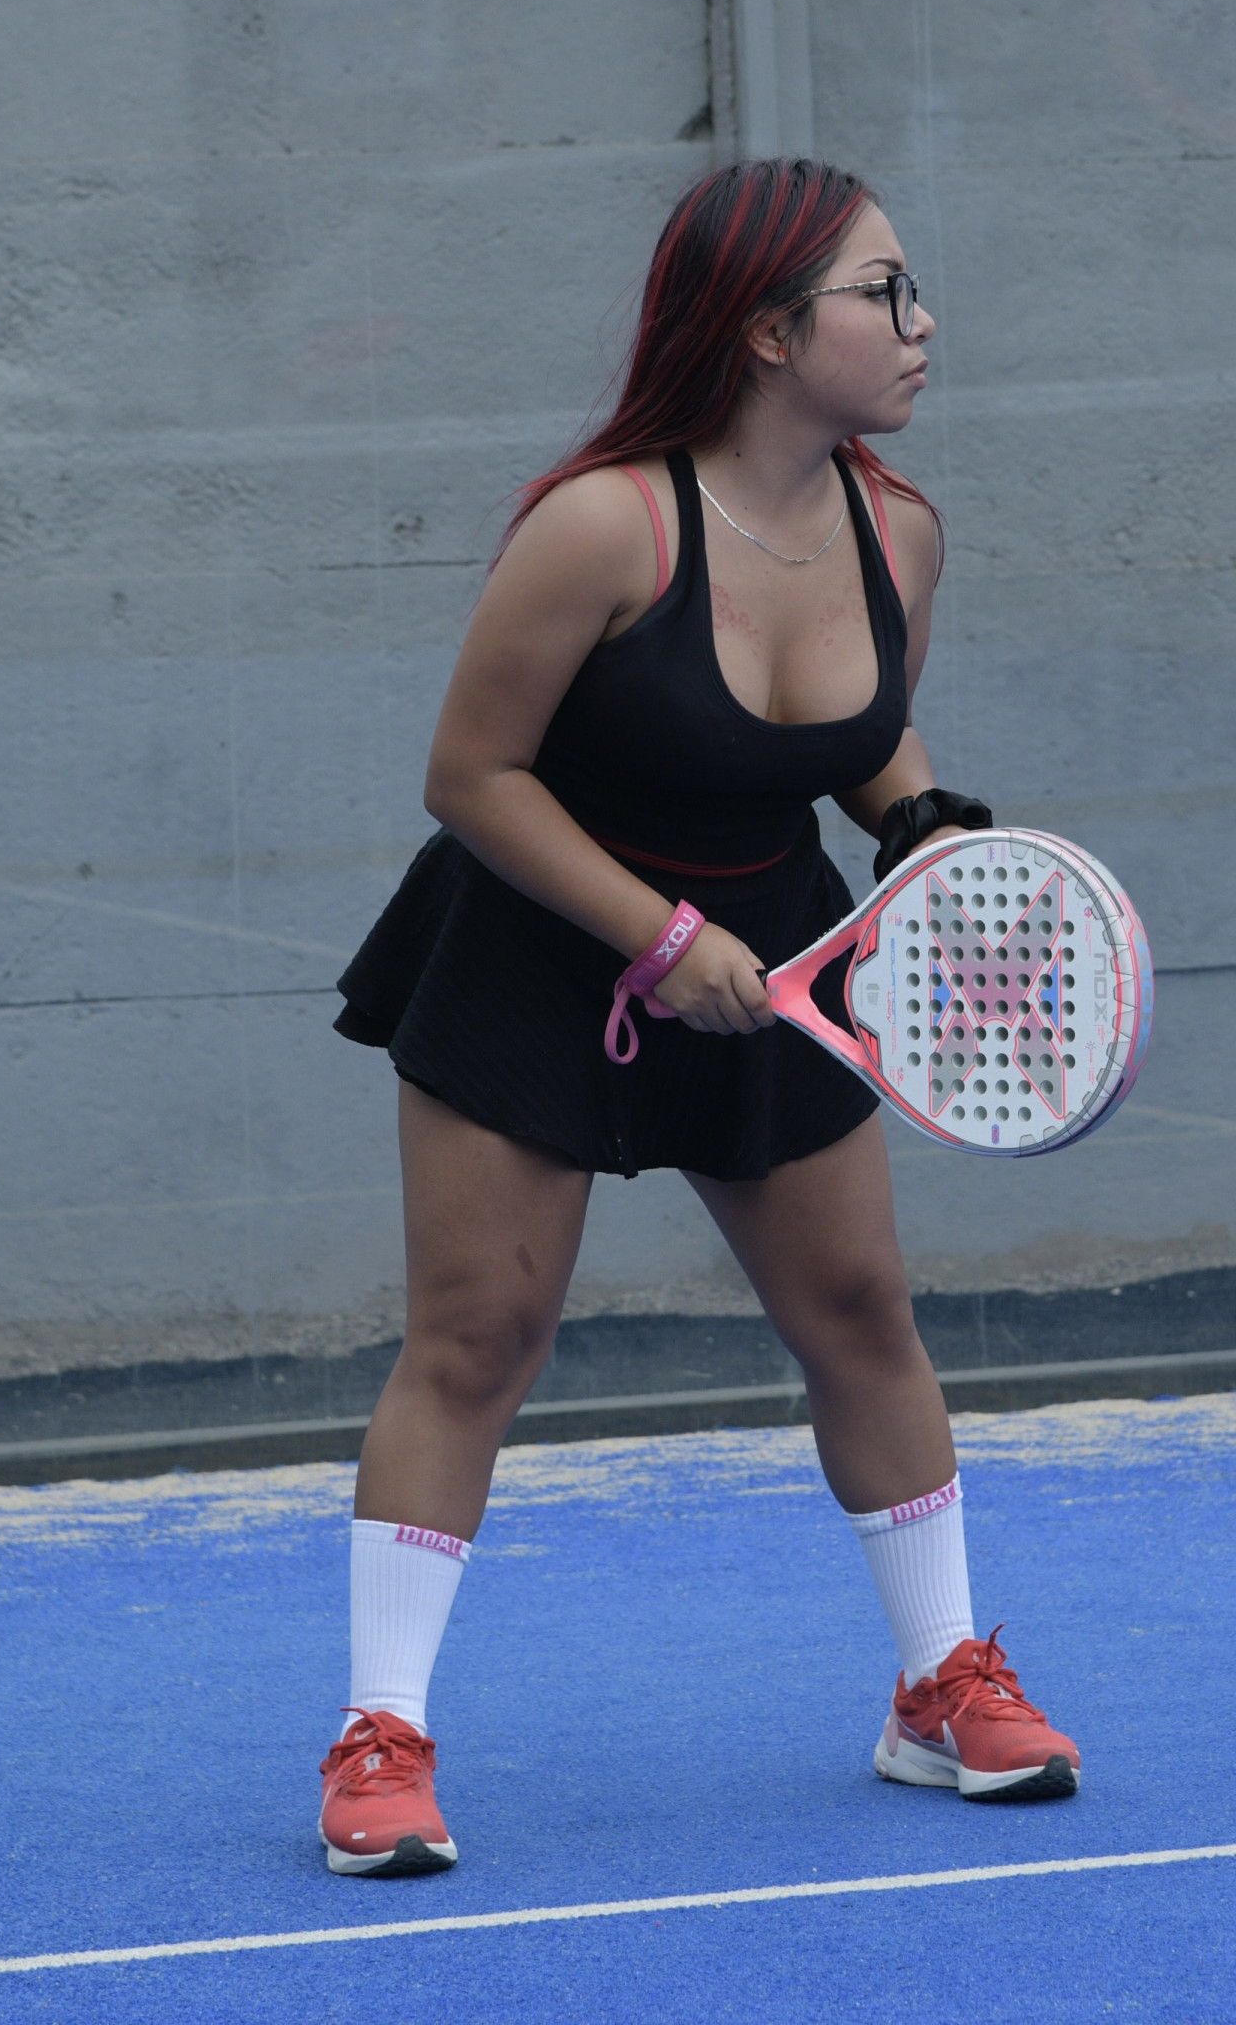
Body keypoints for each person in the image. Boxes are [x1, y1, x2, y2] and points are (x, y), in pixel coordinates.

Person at [320, 158, 1079, 1878]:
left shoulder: (900, 533)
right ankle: (380, 1736)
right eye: (884, 292)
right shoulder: (603, 527)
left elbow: (852, 737)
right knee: (477, 1339)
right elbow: (472, 774)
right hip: (535, 954)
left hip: (779, 960)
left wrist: (918, 820)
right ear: (766, 330)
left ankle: (938, 1690)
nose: (923, 322)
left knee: (863, 1312)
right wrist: (658, 940)